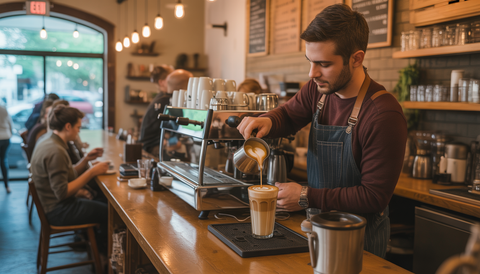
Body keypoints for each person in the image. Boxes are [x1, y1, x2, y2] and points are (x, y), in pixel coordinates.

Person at [237, 4, 407, 258]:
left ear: (356, 58)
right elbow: (289, 114)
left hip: (359, 245)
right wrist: (269, 121)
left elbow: (373, 197)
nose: (312, 73)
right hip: (315, 232)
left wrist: (306, 195)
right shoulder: (317, 90)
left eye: (323, 64)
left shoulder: (383, 114)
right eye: (310, 61)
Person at [30, 105, 110, 254]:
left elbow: (67, 174)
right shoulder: (56, 151)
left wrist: (86, 160)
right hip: (58, 211)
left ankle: (93, 246)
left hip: (54, 205)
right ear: (68, 126)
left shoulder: (49, 140)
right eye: (78, 127)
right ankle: (102, 254)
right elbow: (62, 193)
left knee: (102, 200)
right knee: (108, 212)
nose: (79, 131)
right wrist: (92, 172)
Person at [139, 68, 193, 157]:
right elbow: (179, 128)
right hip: (153, 148)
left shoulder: (163, 97)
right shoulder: (170, 102)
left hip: (148, 145)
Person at [0, 104, 13, 193]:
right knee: (3, 161)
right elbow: (10, 122)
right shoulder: (3, 108)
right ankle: (7, 186)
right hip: (6, 136)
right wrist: (10, 134)